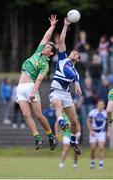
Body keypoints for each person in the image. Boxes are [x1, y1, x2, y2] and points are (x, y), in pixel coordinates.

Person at [17, 15, 58, 150]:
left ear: (51, 54)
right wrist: (52, 27)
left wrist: (34, 92)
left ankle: (51, 136)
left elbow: (39, 79)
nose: (45, 47)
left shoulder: (45, 64)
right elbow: (46, 37)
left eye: (48, 48)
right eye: (45, 46)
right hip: (20, 87)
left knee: (39, 115)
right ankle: (37, 138)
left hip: (31, 87)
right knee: (25, 114)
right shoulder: (38, 52)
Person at [49, 17, 82, 155]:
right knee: (57, 104)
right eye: (73, 51)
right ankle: (61, 122)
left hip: (66, 94)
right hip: (55, 91)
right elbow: (62, 41)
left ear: (78, 60)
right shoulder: (63, 59)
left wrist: (78, 86)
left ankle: (73, 141)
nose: (74, 52)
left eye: (77, 53)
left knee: (74, 121)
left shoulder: (75, 71)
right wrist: (64, 26)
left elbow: (76, 80)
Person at [87, 100, 109, 169]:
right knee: (93, 148)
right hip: (93, 132)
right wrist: (91, 130)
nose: (101, 106)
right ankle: (92, 162)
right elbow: (88, 122)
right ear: (97, 105)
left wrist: (108, 132)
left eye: (102, 105)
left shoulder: (106, 113)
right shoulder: (93, 112)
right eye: (99, 104)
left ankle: (101, 164)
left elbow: (108, 123)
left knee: (101, 148)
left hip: (102, 132)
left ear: (104, 106)